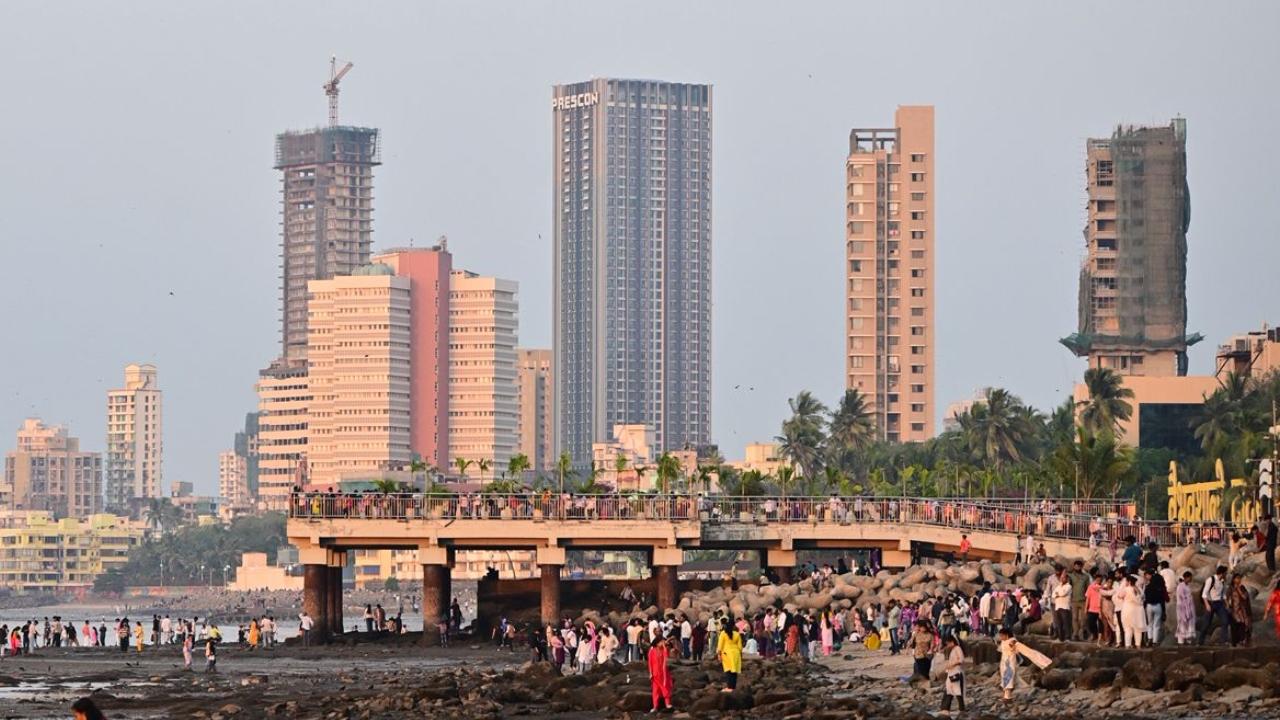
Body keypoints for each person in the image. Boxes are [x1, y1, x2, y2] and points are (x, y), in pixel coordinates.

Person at [1197, 565, 1231, 645]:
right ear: (1222, 573)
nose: (1226, 575)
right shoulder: (1211, 580)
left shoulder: (1223, 581)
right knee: (1206, 623)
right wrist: (1207, 605)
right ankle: (1200, 642)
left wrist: (1227, 604)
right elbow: (1204, 594)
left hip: (1219, 603)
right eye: (1225, 573)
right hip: (1210, 603)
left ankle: (1223, 641)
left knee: (1225, 621)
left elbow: (1224, 594)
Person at [1116, 575, 1145, 648]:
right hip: (1138, 611)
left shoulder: (1126, 589)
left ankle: (1128, 645)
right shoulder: (1139, 589)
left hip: (1128, 610)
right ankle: (1138, 645)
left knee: (1128, 628)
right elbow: (1143, 598)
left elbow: (1119, 596)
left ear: (1129, 582)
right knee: (1138, 629)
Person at [940, 635, 965, 716]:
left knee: (957, 691)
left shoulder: (957, 648)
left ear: (952, 641)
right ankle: (945, 708)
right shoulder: (953, 649)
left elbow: (961, 660)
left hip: (956, 671)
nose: (947, 645)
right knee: (949, 690)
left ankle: (961, 709)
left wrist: (952, 664)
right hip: (951, 672)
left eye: (948, 643)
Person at [1142, 568, 1168, 646]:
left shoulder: (1148, 587)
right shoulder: (1160, 588)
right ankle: (1155, 641)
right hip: (1158, 606)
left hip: (1149, 606)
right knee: (1157, 625)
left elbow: (1145, 599)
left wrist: (1144, 607)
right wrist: (1164, 610)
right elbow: (1162, 600)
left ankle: (1150, 639)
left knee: (1150, 624)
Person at [648, 635, 674, 712]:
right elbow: (650, 663)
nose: (663, 643)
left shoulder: (664, 650)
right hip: (655, 673)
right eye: (661, 642)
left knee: (666, 687)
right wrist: (650, 673)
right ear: (656, 643)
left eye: (663, 641)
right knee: (656, 690)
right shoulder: (652, 651)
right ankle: (655, 706)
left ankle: (667, 704)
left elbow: (666, 658)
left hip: (664, 673)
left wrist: (665, 647)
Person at [1226, 572, 1253, 647]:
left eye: (1239, 578)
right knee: (1234, 627)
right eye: (1237, 578)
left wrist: (1239, 590)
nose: (1239, 580)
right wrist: (1228, 606)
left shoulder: (1242, 588)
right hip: (1233, 610)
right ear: (1234, 579)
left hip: (1242, 610)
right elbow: (1227, 598)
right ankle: (1235, 643)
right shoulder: (1230, 588)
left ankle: (1242, 641)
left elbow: (1245, 597)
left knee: (1243, 625)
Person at [716, 618, 742, 692]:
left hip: (726, 653)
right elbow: (740, 647)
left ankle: (729, 687)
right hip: (736, 653)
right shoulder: (737, 634)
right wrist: (740, 655)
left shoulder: (723, 633)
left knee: (728, 671)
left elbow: (720, 646)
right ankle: (733, 687)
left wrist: (718, 654)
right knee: (734, 671)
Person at [997, 629, 1019, 702]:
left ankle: (1008, 697)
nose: (1000, 637)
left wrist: (1012, 644)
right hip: (1004, 662)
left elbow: (1015, 646)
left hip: (1010, 662)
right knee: (1004, 677)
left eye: (1002, 635)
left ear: (1006, 634)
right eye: (1000, 636)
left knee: (1009, 677)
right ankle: (1006, 696)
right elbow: (1001, 650)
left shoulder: (1012, 640)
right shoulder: (1003, 642)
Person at [1051, 568, 1072, 641]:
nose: (1062, 579)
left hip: (1065, 607)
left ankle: (1067, 638)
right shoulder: (1058, 586)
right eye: (1061, 578)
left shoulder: (1068, 586)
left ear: (1066, 579)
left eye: (1063, 578)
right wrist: (1058, 594)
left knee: (1066, 623)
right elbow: (1053, 595)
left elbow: (1063, 593)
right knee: (1059, 623)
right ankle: (1060, 638)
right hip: (1057, 606)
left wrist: (1058, 594)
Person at [1175, 571, 1196, 645]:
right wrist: (1186, 610)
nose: (1191, 579)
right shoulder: (1181, 586)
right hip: (1182, 608)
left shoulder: (1187, 586)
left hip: (1188, 607)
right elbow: (1182, 598)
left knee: (1189, 624)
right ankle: (1181, 642)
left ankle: (1188, 640)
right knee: (1182, 624)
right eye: (1190, 577)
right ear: (1186, 577)